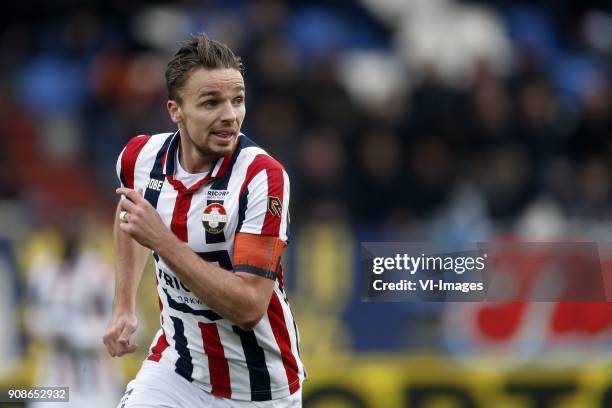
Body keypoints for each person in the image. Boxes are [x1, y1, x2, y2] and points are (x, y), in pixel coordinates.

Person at [103, 33, 305, 407]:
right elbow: (130, 211)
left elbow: (248, 307)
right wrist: (124, 306)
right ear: (175, 110)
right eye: (211, 102)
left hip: (259, 388)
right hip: (177, 369)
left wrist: (162, 241)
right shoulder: (139, 158)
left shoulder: (262, 177)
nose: (230, 115)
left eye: (238, 100)